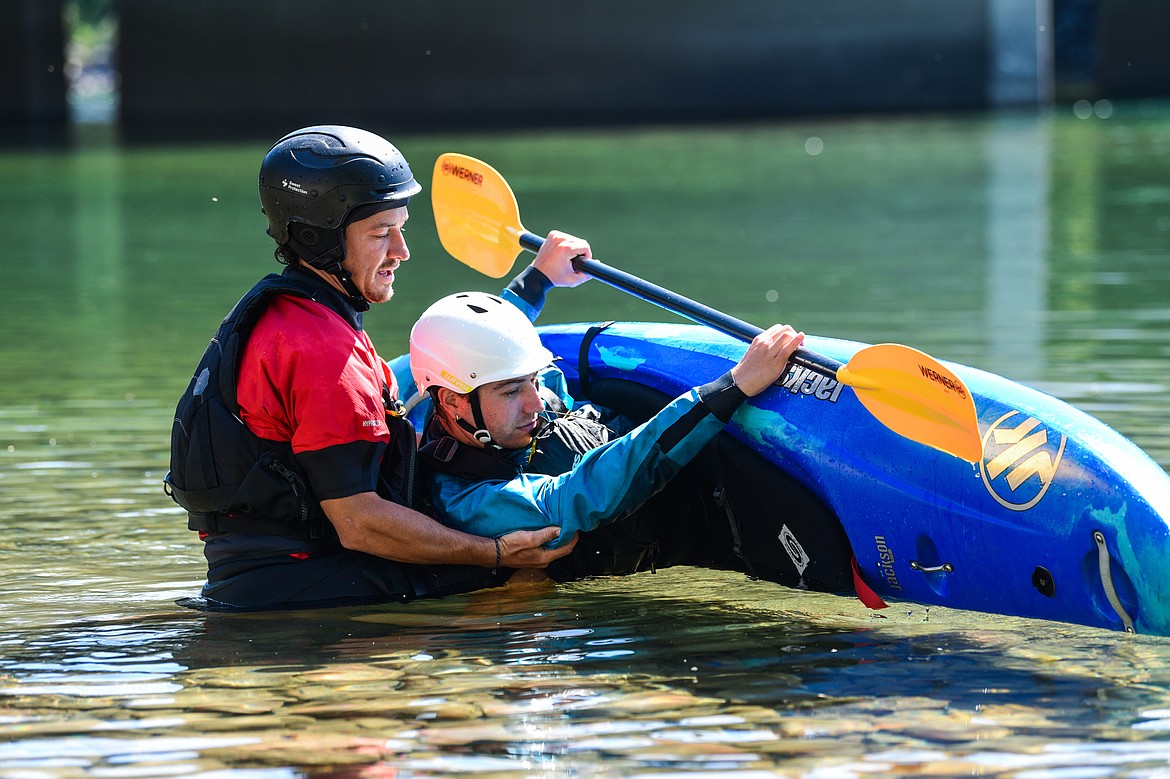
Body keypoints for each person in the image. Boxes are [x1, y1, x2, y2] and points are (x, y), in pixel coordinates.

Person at [164, 124, 587, 610]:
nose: (402, 251)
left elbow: (445, 370)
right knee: (541, 576)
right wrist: (493, 554)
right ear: (315, 238)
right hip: (308, 589)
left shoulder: (296, 315)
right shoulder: (322, 349)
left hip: (265, 583)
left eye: (401, 229)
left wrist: (536, 282)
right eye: (382, 233)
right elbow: (360, 522)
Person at [408, 282, 806, 580]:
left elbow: (489, 345)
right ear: (452, 401)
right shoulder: (470, 502)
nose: (534, 400)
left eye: (533, 380)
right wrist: (730, 388)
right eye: (512, 390)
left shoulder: (493, 403)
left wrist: (539, 277)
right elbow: (590, 488)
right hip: (709, 542)